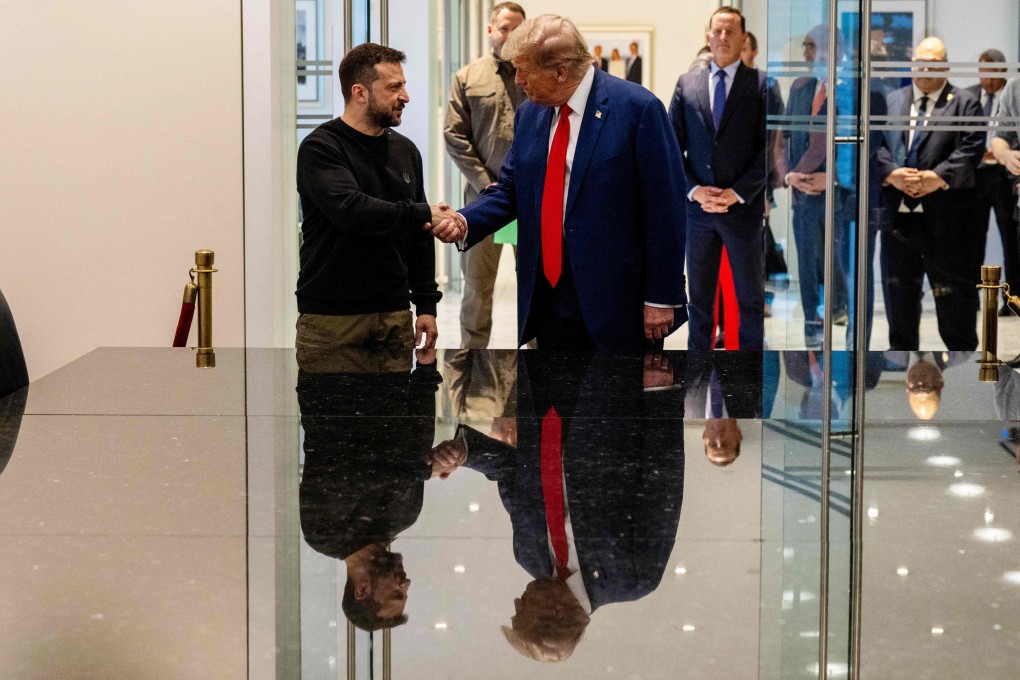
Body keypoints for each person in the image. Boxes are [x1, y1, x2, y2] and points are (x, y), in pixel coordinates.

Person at [435, 14, 688, 352]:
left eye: (525, 70)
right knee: (551, 400)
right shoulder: (530, 115)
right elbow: (511, 189)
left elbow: (666, 210)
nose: (519, 79)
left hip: (616, 301)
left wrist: (661, 296)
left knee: (617, 402)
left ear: (560, 71)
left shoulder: (638, 110)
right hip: (547, 297)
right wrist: (464, 220)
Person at [435, 351, 685, 661]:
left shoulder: (527, 557)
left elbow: (513, 472)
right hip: (611, 402)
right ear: (555, 612)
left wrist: (464, 453)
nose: (516, 601)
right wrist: (658, 395)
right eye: (521, 611)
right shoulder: (632, 579)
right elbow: (663, 482)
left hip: (540, 392)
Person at [295, 43, 459, 364]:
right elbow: (352, 210)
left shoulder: (406, 150)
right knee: (330, 414)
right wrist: (424, 212)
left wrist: (426, 306)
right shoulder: (321, 147)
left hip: (394, 317)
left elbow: (419, 235)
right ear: (360, 93)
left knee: (397, 413)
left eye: (404, 85)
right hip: (332, 322)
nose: (406, 97)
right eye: (394, 87)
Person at [875, 36, 984, 351]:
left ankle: (962, 379)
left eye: (932, 63)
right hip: (898, 222)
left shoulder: (965, 102)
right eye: (919, 62)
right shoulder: (892, 100)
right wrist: (892, 173)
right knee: (900, 306)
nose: (923, 68)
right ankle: (906, 373)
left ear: (946, 67)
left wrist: (937, 177)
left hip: (946, 223)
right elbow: (876, 144)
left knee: (955, 311)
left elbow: (972, 147)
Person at [669, 6, 768, 349]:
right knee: (698, 305)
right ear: (708, 37)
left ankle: (750, 381)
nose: (723, 37)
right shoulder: (687, 83)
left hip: (742, 211)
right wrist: (694, 191)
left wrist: (735, 193)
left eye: (731, 31)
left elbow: (768, 151)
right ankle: (696, 381)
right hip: (698, 215)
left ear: (743, 39)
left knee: (750, 302)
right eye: (718, 31)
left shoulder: (761, 85)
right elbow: (671, 149)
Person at [444, 3, 527, 349]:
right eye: (505, 28)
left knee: (537, 287)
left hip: (530, 202)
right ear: (491, 29)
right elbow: (454, 134)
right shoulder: (467, 77)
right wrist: (485, 183)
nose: (511, 36)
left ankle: (542, 377)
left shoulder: (536, 76)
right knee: (477, 288)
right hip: (483, 202)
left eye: (518, 30)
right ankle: (470, 366)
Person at [783, 25, 854, 348]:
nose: (807, 53)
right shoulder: (800, 86)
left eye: (813, 46)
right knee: (807, 263)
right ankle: (811, 322)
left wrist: (835, 176)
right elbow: (782, 137)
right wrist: (789, 176)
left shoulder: (852, 88)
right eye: (807, 46)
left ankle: (843, 317)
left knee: (839, 261)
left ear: (835, 48)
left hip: (840, 194)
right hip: (802, 192)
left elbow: (857, 145)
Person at [966, 49, 1020, 316]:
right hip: (978, 174)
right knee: (973, 238)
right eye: (983, 71)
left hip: (1005, 178)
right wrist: (999, 152)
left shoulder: (1010, 92)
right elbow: (995, 137)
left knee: (1011, 240)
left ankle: (1011, 299)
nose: (987, 78)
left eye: (992, 71)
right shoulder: (970, 95)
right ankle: (972, 296)